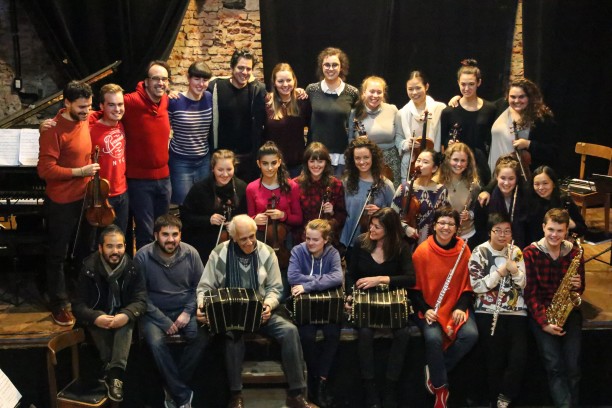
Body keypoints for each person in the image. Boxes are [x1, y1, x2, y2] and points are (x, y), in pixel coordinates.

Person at [197, 215, 312, 408]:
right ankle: (236, 394)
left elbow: (276, 287)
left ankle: (297, 393)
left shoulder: (267, 252)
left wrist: (268, 305)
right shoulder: (219, 253)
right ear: (233, 237)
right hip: (231, 314)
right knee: (232, 336)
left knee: (290, 331)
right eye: (243, 239)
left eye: (252, 236)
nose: (250, 242)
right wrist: (202, 306)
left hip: (261, 312)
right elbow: (205, 287)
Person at [37, 80, 99, 326]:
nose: (87, 111)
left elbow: (108, 110)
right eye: (82, 107)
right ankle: (59, 303)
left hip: (85, 199)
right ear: (67, 103)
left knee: (85, 250)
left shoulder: (85, 118)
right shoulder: (52, 129)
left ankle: (81, 296)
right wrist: (80, 171)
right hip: (62, 201)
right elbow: (45, 169)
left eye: (89, 106)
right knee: (58, 254)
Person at [344, 208, 416, 408]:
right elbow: (350, 274)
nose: (371, 229)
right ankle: (370, 389)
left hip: (390, 300)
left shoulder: (400, 247)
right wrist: (349, 296)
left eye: (377, 227)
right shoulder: (361, 242)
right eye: (371, 224)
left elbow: (410, 279)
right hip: (366, 300)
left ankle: (391, 387)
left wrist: (381, 279)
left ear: (390, 229)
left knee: (403, 333)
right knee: (365, 332)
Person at [135, 214, 207, 408]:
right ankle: (182, 395)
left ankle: (172, 388)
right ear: (156, 235)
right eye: (165, 234)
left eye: (175, 234)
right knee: (156, 342)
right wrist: (163, 320)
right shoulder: (142, 256)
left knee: (202, 335)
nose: (171, 239)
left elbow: (200, 287)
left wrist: (187, 311)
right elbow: (140, 295)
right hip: (154, 313)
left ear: (180, 235)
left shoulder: (191, 253)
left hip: (185, 309)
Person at [411, 206, 478, 408]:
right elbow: (414, 290)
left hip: (455, 307)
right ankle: (441, 389)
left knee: (471, 335)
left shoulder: (464, 250)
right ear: (434, 225)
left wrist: (460, 307)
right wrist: (426, 309)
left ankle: (435, 371)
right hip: (430, 308)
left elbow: (468, 286)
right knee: (433, 337)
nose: (446, 227)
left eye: (451, 224)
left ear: (457, 228)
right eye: (442, 223)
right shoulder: (422, 251)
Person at [73, 225, 146, 402]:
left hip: (121, 319)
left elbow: (141, 300)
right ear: (100, 248)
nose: (115, 251)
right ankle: (112, 368)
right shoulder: (88, 268)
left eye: (119, 246)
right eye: (110, 246)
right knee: (98, 316)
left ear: (125, 246)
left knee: (126, 320)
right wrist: (95, 317)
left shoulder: (132, 267)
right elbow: (77, 305)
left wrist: (126, 314)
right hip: (98, 321)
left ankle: (114, 375)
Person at [523, 208, 585, 407]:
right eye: (551, 229)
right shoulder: (530, 253)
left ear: (566, 231)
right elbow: (530, 293)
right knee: (554, 366)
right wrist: (544, 323)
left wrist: (578, 285)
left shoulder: (575, 252)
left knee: (573, 367)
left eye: (560, 230)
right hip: (541, 313)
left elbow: (580, 288)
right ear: (543, 227)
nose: (554, 235)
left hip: (568, 312)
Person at [468, 213, 527, 408]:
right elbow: (477, 286)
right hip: (488, 310)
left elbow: (523, 284)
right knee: (493, 357)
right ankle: (493, 398)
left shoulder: (516, 251)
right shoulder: (479, 252)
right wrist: (500, 272)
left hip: (515, 310)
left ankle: (506, 395)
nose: (503, 235)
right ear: (490, 232)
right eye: (498, 231)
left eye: (507, 231)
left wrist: (515, 271)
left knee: (518, 357)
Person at [287, 219, 343, 408]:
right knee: (307, 336)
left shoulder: (333, 253)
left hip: (328, 307)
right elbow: (292, 277)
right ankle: (312, 378)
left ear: (325, 240)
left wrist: (308, 284)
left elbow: (337, 277)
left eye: (315, 240)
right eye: (308, 238)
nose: (310, 243)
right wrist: (322, 280)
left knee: (333, 334)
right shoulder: (297, 251)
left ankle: (322, 380)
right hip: (307, 308)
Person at [122, 60, 172, 249]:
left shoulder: (166, 100)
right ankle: (143, 276)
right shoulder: (131, 101)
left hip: (164, 179)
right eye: (156, 79)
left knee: (162, 229)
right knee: (144, 233)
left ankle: (160, 271)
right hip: (139, 181)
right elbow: (102, 112)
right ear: (146, 82)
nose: (161, 83)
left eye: (164, 79)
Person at [208, 48, 267, 182]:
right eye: (240, 68)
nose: (244, 72)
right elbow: (195, 93)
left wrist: (298, 91)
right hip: (222, 158)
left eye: (248, 69)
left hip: (248, 157)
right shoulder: (215, 87)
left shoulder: (257, 90)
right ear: (232, 67)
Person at [180, 149, 247, 259]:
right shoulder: (199, 189)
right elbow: (186, 216)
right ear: (212, 169)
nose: (225, 174)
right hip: (205, 237)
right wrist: (208, 220)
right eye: (220, 170)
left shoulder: (241, 187)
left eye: (229, 169)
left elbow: (246, 214)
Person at [440, 59, 497, 185]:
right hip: (457, 166)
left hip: (481, 166)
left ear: (479, 82)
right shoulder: (449, 112)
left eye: (471, 84)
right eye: (463, 84)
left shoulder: (490, 109)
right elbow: (442, 142)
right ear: (458, 83)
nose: (466, 88)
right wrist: (448, 143)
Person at [306, 47, 359, 176]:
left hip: (342, 156)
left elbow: (357, 123)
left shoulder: (352, 92)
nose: (330, 68)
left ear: (341, 67)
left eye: (335, 65)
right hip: (316, 156)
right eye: (327, 65)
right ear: (321, 67)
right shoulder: (311, 90)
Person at [488, 78, 559, 175]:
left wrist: (529, 144)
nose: (517, 101)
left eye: (521, 97)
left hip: (523, 176)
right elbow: (478, 106)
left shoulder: (541, 118)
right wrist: (459, 100)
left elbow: (553, 151)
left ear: (530, 97)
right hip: (495, 171)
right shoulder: (501, 106)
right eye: (512, 97)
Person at [168, 60, 213, 205]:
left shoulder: (209, 98)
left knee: (203, 203)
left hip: (204, 160)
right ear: (188, 78)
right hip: (180, 162)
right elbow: (163, 129)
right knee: (185, 204)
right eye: (197, 79)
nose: (201, 84)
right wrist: (168, 92)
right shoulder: (175, 101)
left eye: (205, 80)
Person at [246, 141, 303, 256]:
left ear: (279, 162)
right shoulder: (251, 188)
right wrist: (254, 219)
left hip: (284, 238)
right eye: (265, 163)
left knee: (274, 232)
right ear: (259, 164)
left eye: (273, 163)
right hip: (259, 236)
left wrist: (283, 215)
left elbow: (299, 219)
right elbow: (249, 216)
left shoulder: (292, 186)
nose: (270, 168)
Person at [339, 137, 395, 252]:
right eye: (357, 158)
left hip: (376, 243)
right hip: (350, 240)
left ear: (373, 158)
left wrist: (380, 212)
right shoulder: (346, 182)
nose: (362, 162)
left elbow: (394, 216)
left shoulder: (385, 184)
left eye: (366, 157)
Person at [88, 84, 129, 233]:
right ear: (101, 106)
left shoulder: (122, 125)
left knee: (120, 237)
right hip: (101, 197)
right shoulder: (90, 130)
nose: (117, 109)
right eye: (111, 105)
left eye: (120, 104)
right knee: (101, 241)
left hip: (122, 192)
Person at [349, 75, 402, 187]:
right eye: (371, 91)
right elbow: (350, 139)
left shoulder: (392, 109)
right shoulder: (355, 113)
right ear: (364, 93)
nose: (375, 95)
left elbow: (399, 137)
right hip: (365, 162)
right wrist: (357, 143)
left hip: (391, 162)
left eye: (379, 92)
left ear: (383, 94)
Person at [396, 70, 447, 183]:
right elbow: (398, 138)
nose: (414, 92)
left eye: (418, 88)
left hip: (435, 164)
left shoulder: (440, 108)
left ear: (426, 86)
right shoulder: (402, 113)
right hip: (412, 163)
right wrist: (405, 143)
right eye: (410, 89)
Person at [263, 62, 311, 178]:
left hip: (297, 166)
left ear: (294, 80)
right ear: (274, 82)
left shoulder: (303, 101)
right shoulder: (266, 102)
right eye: (280, 81)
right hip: (272, 166)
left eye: (289, 80)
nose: (285, 84)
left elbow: (312, 130)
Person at [294, 142, 347, 246]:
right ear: (306, 163)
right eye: (312, 161)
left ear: (326, 163)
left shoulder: (336, 184)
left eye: (320, 161)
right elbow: (294, 217)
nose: (316, 165)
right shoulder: (296, 184)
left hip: (326, 239)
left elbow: (342, 215)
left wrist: (332, 213)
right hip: (302, 238)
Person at [392, 149, 448, 245]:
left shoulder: (441, 191)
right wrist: (405, 228)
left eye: (425, 162)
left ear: (434, 168)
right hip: (405, 242)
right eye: (418, 160)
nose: (419, 164)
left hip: (430, 243)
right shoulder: (404, 188)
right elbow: (391, 215)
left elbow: (443, 219)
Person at [434, 143, 482, 246]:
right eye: (455, 160)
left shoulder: (473, 185)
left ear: (468, 163)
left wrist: (470, 214)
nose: (459, 164)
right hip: (444, 236)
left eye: (463, 161)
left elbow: (476, 209)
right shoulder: (436, 182)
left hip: (467, 236)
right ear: (448, 160)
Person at [527, 165, 587, 243]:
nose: (541, 188)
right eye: (537, 184)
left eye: (545, 183)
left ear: (554, 184)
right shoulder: (528, 201)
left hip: (560, 247)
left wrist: (572, 225)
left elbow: (583, 229)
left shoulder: (564, 200)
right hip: (536, 248)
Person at [479, 156, 529, 249]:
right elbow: (481, 229)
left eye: (511, 178)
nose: (506, 183)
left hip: (518, 248)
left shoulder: (525, 198)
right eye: (503, 178)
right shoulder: (486, 199)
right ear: (496, 177)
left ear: (517, 179)